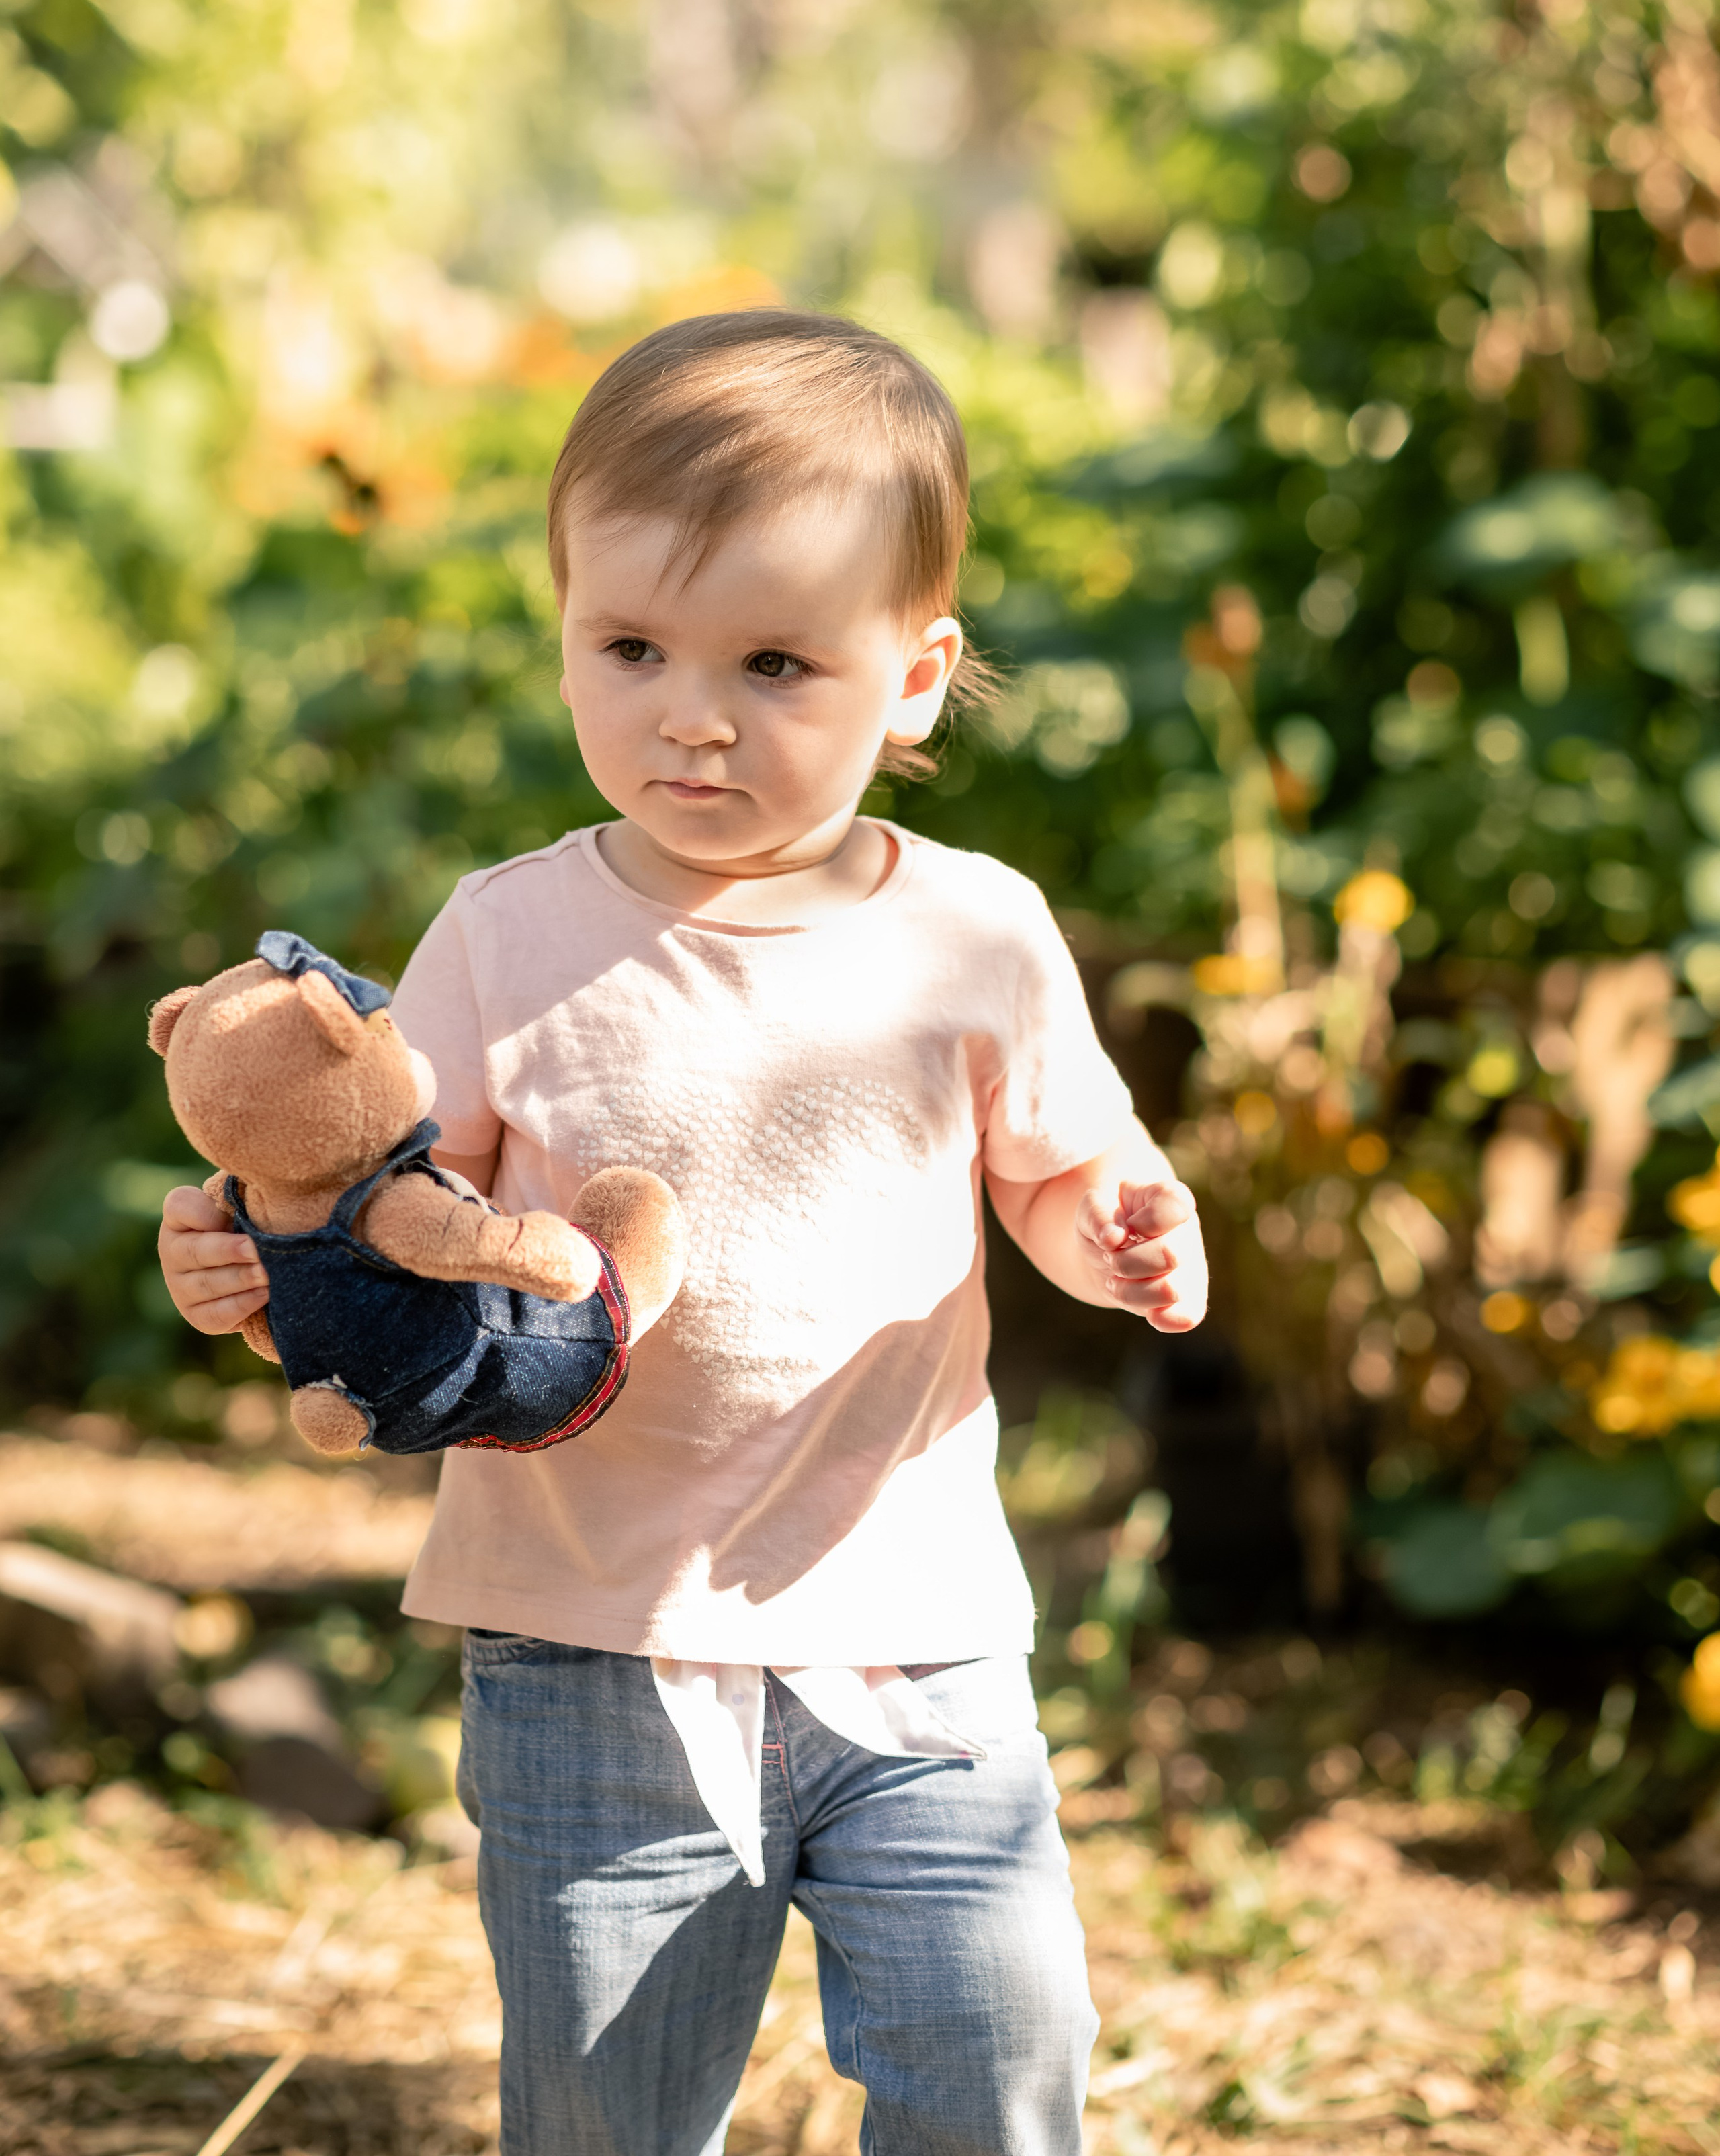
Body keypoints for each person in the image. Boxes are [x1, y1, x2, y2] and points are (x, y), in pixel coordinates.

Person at [158, 308, 1209, 2156]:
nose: (691, 714)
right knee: (607, 2110)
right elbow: (380, 1200)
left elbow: (1055, 1171)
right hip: (588, 1637)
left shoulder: (976, 933)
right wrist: (249, 1265)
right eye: (630, 647)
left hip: (915, 1633)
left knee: (1001, 2047)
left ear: (914, 675)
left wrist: (1115, 1226)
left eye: (775, 663)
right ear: (566, 627)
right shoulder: (508, 933)